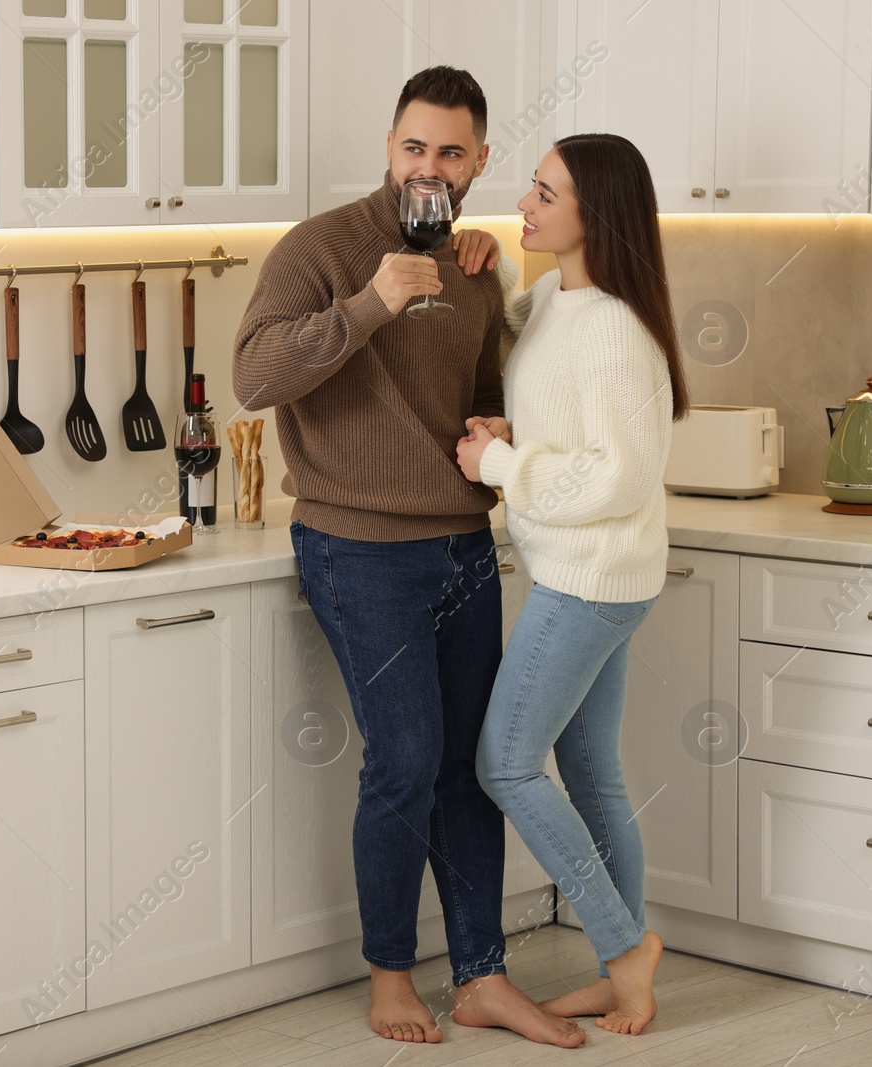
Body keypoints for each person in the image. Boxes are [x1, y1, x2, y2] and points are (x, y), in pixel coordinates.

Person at [234, 65, 585, 1049]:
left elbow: (484, 390)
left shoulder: (477, 265)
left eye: (450, 151)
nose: (427, 166)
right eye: (412, 147)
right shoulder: (323, 248)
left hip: (462, 545)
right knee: (403, 760)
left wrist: (502, 426)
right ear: (388, 148)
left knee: (469, 766)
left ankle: (480, 975)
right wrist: (369, 303)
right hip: (358, 548)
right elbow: (254, 376)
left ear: (476, 162)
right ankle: (393, 972)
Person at [456, 132, 689, 1036]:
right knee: (592, 777)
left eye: (546, 194)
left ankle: (627, 947)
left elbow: (620, 475)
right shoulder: (552, 297)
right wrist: (478, 259)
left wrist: (503, 461)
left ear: (597, 213)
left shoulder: (621, 330)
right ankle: (619, 969)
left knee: (505, 761)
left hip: (589, 579)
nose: (526, 203)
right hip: (584, 570)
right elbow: (533, 368)